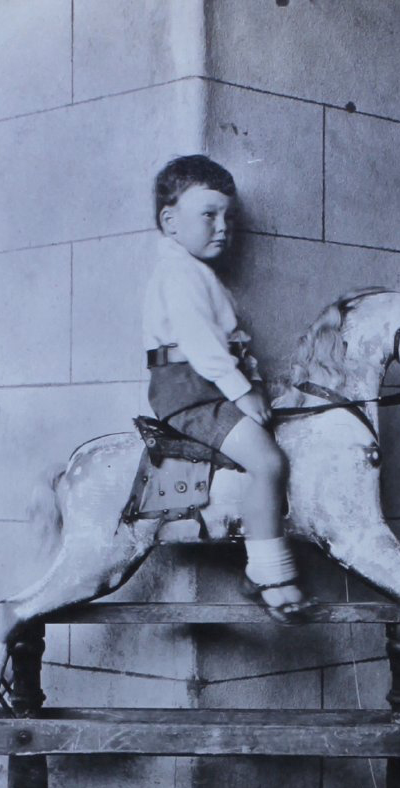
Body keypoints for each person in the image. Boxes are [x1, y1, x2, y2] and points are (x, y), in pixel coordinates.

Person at [142, 155, 316, 624]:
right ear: (170, 221)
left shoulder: (199, 274)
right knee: (268, 461)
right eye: (209, 214)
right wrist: (242, 392)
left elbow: (235, 344)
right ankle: (269, 576)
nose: (222, 226)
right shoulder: (178, 274)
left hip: (210, 383)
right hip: (190, 391)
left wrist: (256, 384)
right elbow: (202, 346)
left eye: (228, 217)